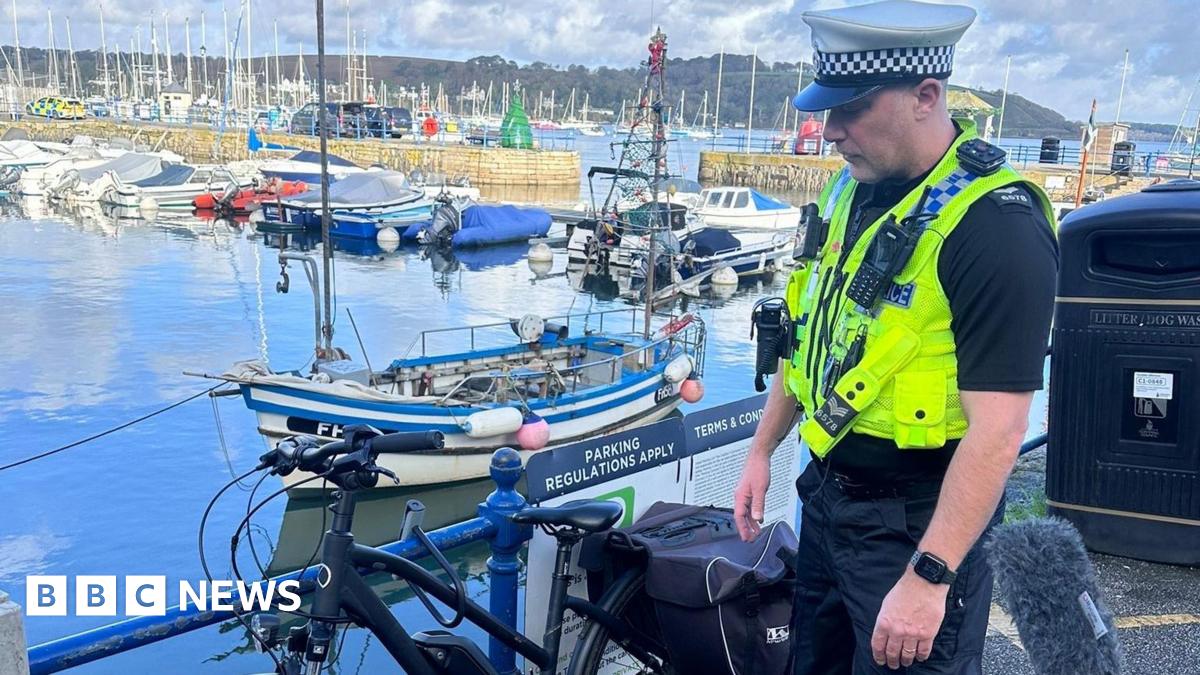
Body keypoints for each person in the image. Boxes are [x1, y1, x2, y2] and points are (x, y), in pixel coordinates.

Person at [732, 1, 1058, 673]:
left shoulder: (996, 227)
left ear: (926, 96)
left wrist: (929, 577)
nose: (830, 132)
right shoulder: (853, 193)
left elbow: (998, 431)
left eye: (851, 110)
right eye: (827, 112)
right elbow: (813, 339)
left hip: (916, 525)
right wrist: (763, 448)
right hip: (826, 502)